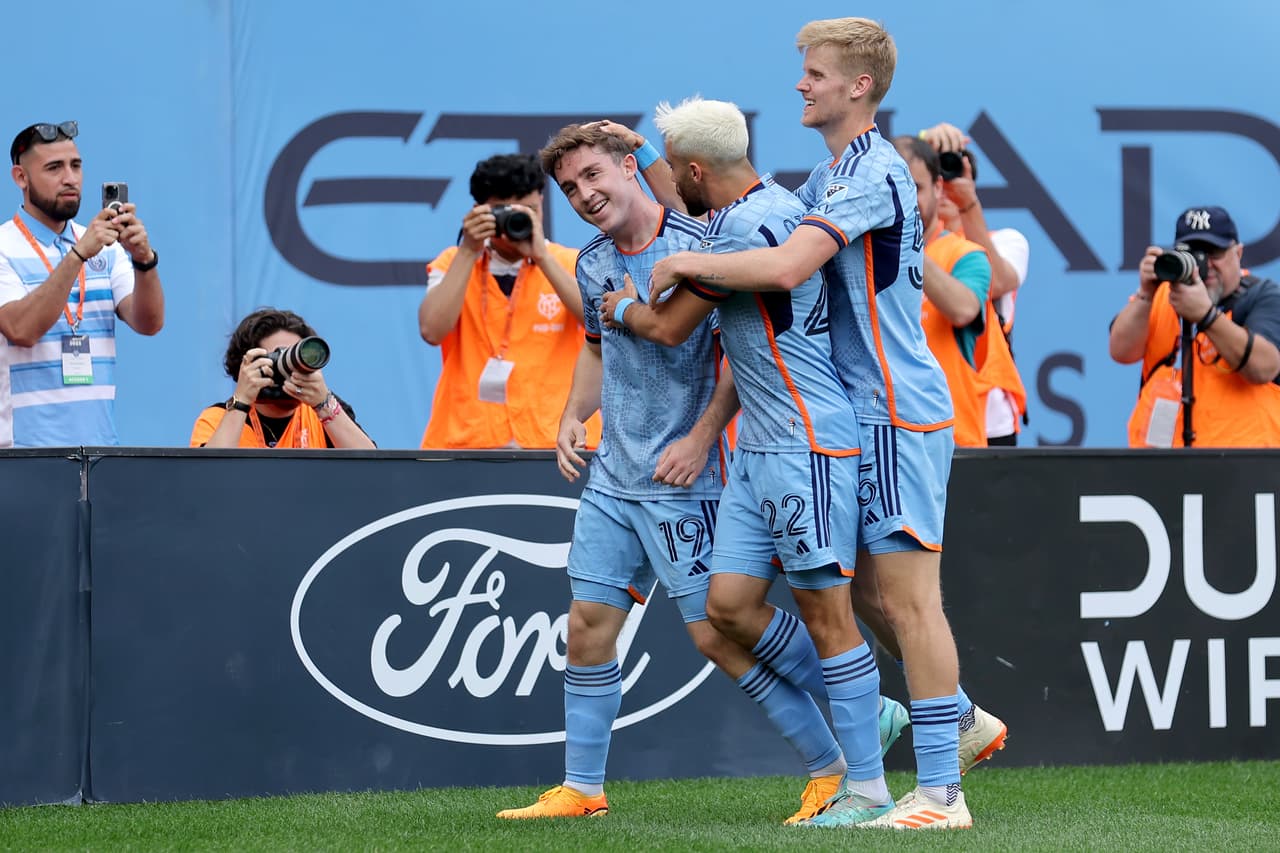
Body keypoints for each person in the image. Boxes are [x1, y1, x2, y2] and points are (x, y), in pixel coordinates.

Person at [650, 17, 979, 830]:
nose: (801, 83)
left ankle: (941, 792)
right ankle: (943, 737)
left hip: (896, 409)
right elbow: (746, 223)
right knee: (866, 593)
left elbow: (788, 264)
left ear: (859, 85)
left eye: (816, 73)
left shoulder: (870, 170)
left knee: (908, 603)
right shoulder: (833, 171)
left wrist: (687, 262)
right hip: (855, 410)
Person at [497, 124, 848, 824]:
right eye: (570, 187)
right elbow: (597, 349)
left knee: (718, 633)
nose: (585, 194)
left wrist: (699, 435)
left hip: (690, 477)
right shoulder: (594, 260)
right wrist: (574, 415)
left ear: (632, 166)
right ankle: (583, 788)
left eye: (594, 174)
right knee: (588, 622)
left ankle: (842, 749)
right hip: (614, 477)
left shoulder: (699, 246)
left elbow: (736, 357)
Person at [598, 96, 898, 827]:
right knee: (728, 606)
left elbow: (669, 325)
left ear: (698, 170)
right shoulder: (769, 206)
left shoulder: (734, 236)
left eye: (673, 168)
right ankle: (872, 707)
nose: (668, 181)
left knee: (829, 618)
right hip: (760, 442)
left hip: (805, 440)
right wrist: (641, 151)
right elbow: (695, 201)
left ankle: (867, 789)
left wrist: (616, 310)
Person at [417, 153, 601, 449]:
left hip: (558, 440)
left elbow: (599, 324)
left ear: (542, 202)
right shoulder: (453, 262)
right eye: (504, 211)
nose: (519, 219)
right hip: (468, 443)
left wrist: (541, 256)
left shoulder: (571, 263)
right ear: (479, 211)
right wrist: (468, 250)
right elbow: (431, 330)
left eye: (529, 209)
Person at [0, 120, 164, 447]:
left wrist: (144, 260)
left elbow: (149, 323)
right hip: (22, 455)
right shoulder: (5, 246)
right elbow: (21, 329)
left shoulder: (107, 246)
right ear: (21, 177)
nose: (70, 178)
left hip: (100, 451)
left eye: (76, 166)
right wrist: (77, 256)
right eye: (54, 168)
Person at [1110, 206, 1280, 446]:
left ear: (1238, 253)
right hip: (1168, 466)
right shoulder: (1163, 296)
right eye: (1194, 252)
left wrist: (1206, 316)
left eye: (1215, 253)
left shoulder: (1263, 296)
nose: (1205, 263)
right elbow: (1121, 351)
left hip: (1244, 469)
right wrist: (1146, 294)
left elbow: (1264, 367)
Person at [919, 123, 1030, 446]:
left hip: (988, 419)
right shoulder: (909, 248)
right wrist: (924, 143)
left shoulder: (1007, 241)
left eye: (951, 174)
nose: (945, 186)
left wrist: (968, 205)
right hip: (924, 412)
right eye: (933, 179)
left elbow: (995, 284)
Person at [190, 308, 374, 449]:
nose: (291, 369)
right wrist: (242, 401)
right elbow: (207, 476)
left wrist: (324, 405)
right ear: (246, 365)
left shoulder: (325, 415)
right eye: (278, 357)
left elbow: (373, 470)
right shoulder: (217, 419)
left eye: (296, 359)